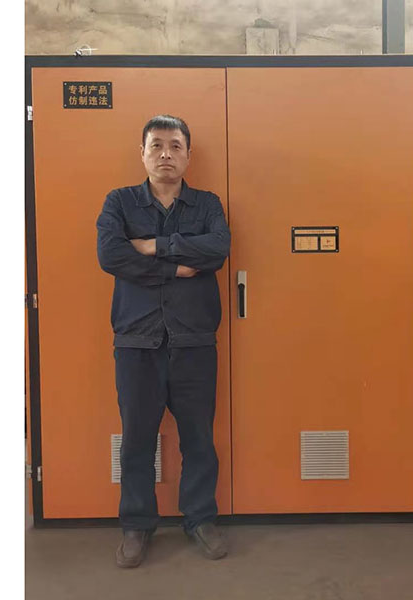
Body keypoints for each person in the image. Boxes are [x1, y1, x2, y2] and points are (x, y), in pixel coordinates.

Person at [96, 114, 231, 567]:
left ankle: (200, 519)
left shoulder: (207, 204)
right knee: (137, 440)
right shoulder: (119, 202)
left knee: (199, 438)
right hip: (137, 341)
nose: (166, 154)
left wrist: (153, 245)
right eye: (156, 145)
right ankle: (137, 525)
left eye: (175, 146)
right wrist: (177, 265)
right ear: (142, 153)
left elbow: (217, 249)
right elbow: (111, 255)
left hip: (194, 340)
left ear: (188, 155)